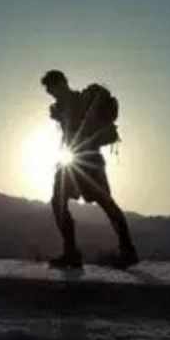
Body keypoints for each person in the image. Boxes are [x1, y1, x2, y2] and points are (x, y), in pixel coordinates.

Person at [41, 69, 139, 269]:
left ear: (61, 84)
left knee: (106, 204)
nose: (51, 94)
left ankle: (126, 251)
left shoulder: (79, 101)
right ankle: (72, 253)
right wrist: (59, 114)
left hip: (88, 162)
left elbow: (80, 128)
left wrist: (60, 113)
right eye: (49, 92)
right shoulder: (67, 105)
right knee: (60, 202)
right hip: (74, 163)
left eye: (52, 89)